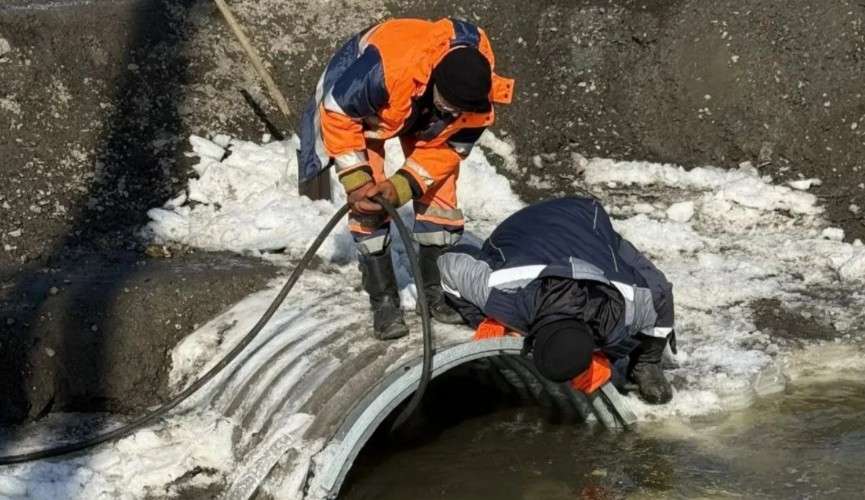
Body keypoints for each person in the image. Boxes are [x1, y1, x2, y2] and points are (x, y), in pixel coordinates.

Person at [297, 18, 514, 340]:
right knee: (369, 203)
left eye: (458, 111)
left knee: (441, 201)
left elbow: (449, 151)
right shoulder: (384, 70)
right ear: (436, 81)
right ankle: (384, 302)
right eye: (447, 106)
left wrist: (403, 185)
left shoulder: (478, 94)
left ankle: (435, 293)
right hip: (369, 113)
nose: (453, 114)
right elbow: (338, 113)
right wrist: (357, 181)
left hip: (422, 117)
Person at [437, 197, 676, 404]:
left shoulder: (629, 305)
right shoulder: (501, 293)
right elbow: (449, 262)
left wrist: (639, 358)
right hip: (524, 228)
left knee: (654, 286)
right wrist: (482, 317)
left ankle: (644, 364)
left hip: (588, 220)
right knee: (489, 267)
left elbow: (663, 297)